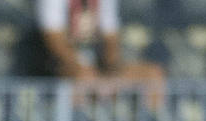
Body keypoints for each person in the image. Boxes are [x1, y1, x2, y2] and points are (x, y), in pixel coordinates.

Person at [32, 0, 163, 83]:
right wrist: (80, 66)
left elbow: (111, 38)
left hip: (98, 65)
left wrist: (111, 68)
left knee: (153, 74)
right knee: (84, 77)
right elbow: (54, 39)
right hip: (59, 66)